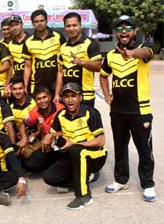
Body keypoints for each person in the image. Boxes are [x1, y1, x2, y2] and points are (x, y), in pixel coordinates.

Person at [100, 15, 156, 202]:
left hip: (140, 111)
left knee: (144, 150)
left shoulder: (142, 50)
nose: (124, 32)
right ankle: (121, 180)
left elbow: (147, 54)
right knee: (120, 148)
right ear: (116, 32)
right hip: (117, 111)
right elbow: (103, 75)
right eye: (120, 28)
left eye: (128, 28)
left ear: (134, 31)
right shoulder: (110, 55)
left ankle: (148, 185)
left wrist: (131, 54)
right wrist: (107, 95)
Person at [43, 82, 107, 210]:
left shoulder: (91, 113)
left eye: (73, 96)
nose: (70, 99)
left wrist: (75, 144)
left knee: (77, 150)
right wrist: (50, 135)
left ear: (80, 98)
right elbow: (60, 131)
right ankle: (85, 177)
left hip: (95, 155)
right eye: (66, 96)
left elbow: (100, 140)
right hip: (73, 155)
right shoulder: (61, 114)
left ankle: (84, 196)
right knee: (49, 177)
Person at [56, 12, 102, 106]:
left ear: (80, 25)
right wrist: (57, 94)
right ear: (65, 28)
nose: (71, 28)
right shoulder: (63, 47)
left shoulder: (90, 43)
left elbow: (98, 67)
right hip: (66, 95)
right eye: (68, 26)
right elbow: (60, 72)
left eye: (74, 25)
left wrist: (83, 62)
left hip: (85, 96)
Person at [17, 86, 64, 173]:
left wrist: (52, 135)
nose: (42, 101)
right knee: (27, 160)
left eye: (44, 97)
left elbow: (70, 131)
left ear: (50, 97)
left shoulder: (61, 109)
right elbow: (22, 124)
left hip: (61, 144)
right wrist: (24, 138)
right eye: (39, 99)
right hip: (46, 145)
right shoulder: (35, 111)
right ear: (35, 101)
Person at [23, 9, 66, 96]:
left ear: (46, 21)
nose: (39, 23)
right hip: (38, 84)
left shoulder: (58, 36)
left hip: (56, 84)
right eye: (36, 21)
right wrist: (25, 85)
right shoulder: (28, 41)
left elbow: (65, 59)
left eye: (42, 20)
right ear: (32, 23)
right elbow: (27, 67)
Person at [7, 15, 31, 92]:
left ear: (22, 24)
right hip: (17, 83)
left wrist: (26, 85)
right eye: (12, 26)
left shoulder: (31, 40)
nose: (14, 28)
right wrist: (7, 84)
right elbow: (11, 66)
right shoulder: (10, 44)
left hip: (32, 81)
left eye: (16, 24)